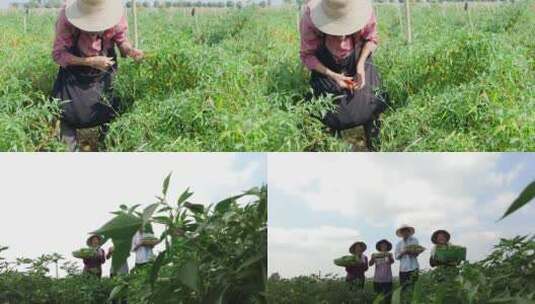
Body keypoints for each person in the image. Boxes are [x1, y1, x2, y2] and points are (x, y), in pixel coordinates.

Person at [51, 0, 144, 151]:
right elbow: (58, 54)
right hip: (74, 78)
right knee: (66, 114)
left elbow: (121, 40)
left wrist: (129, 50)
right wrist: (89, 61)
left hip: (105, 75)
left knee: (111, 113)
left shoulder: (115, 13)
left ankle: (106, 149)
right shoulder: (67, 17)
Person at [299, 0, 386, 151]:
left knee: (373, 103)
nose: (342, 40)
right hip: (326, 67)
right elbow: (307, 56)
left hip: (358, 59)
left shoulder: (364, 11)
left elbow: (372, 39)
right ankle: (332, 150)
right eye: (336, 33)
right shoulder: (310, 17)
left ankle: (375, 146)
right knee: (327, 114)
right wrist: (332, 75)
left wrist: (360, 65)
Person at [395, 225, 421, 304]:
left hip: (414, 267)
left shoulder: (414, 240)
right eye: (403, 231)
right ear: (401, 233)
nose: (405, 233)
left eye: (406, 231)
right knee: (404, 288)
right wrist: (403, 253)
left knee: (414, 288)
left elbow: (417, 253)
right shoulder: (399, 244)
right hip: (403, 269)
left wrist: (410, 252)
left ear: (409, 232)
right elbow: (396, 256)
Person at [369, 239, 394, 304]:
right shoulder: (375, 255)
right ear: (379, 247)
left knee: (387, 298)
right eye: (382, 245)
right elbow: (370, 264)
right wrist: (372, 258)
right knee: (377, 298)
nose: (383, 246)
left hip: (387, 280)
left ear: (387, 246)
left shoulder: (389, 254)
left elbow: (392, 261)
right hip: (377, 280)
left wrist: (388, 256)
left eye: (385, 245)